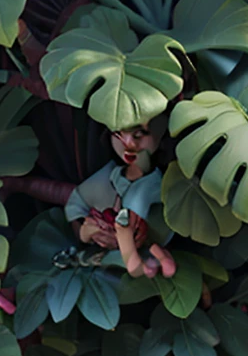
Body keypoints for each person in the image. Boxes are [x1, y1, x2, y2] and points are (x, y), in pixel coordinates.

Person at [64, 120, 177, 280]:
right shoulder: (111, 174)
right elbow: (77, 203)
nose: (129, 144)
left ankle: (148, 261)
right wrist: (90, 230)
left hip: (143, 238)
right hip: (116, 243)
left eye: (138, 135)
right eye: (118, 135)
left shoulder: (157, 183)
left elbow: (134, 206)